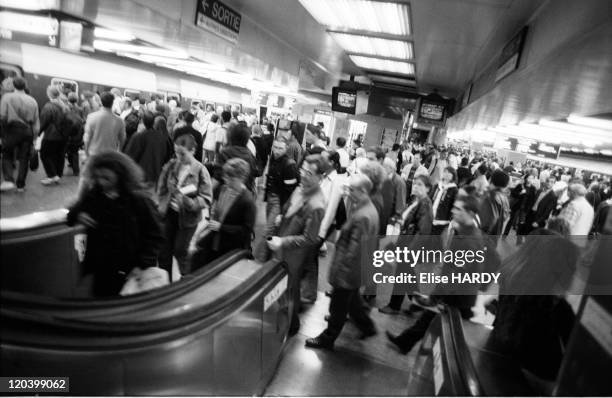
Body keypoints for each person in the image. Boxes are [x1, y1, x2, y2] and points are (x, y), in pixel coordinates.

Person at [386, 194, 486, 354]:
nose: (453, 211)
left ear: (471, 213)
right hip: (454, 295)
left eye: (458, 209)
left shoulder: (470, 241)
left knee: (451, 334)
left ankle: (409, 344)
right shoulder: (463, 233)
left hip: (458, 297)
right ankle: (404, 342)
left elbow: (457, 274)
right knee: (428, 319)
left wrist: (435, 295)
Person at [66, 151, 164, 297]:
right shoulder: (94, 194)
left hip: (129, 271)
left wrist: (142, 265)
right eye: (97, 177)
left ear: (120, 175)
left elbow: (155, 235)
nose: (101, 182)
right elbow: (72, 214)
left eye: (106, 178)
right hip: (101, 270)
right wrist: (78, 214)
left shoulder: (139, 200)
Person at [305, 174, 378, 350]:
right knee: (353, 302)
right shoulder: (367, 209)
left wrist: (340, 275)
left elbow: (354, 250)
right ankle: (367, 327)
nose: (347, 193)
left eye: (351, 190)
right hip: (355, 270)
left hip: (348, 270)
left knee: (338, 306)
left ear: (362, 191)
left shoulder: (363, 215)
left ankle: (328, 338)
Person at [267, 155, 326, 335]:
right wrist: (281, 216)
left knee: (290, 288)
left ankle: (291, 325)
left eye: (309, 172)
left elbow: (309, 239)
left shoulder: (317, 205)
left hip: (293, 254)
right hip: (282, 246)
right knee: (284, 286)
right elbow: (289, 207)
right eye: (303, 170)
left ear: (320, 177)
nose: (304, 175)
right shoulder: (301, 189)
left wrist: (283, 241)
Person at [157, 134, 213, 280]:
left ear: (193, 150)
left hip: (188, 219)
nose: (179, 156)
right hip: (169, 214)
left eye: (182, 153)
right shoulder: (171, 166)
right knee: (164, 251)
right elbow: (162, 187)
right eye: (176, 152)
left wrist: (189, 202)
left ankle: (184, 281)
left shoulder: (201, 170)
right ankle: (165, 282)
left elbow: (206, 198)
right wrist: (162, 202)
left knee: (180, 251)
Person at [379, 175, 434, 315]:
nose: (415, 186)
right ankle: (419, 303)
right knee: (407, 274)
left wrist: (410, 251)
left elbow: (423, 231)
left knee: (402, 274)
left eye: (420, 184)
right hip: (406, 242)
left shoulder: (425, 204)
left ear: (427, 188)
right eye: (415, 184)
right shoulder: (416, 201)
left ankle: (394, 306)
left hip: (411, 246)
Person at [191, 158, 256, 267]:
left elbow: (246, 230)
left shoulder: (247, 201)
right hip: (214, 243)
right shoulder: (222, 189)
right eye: (226, 176)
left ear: (241, 178)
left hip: (229, 249)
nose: (226, 180)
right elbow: (214, 209)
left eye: (231, 178)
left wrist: (222, 227)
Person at [0, 77, 40, 192]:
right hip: (27, 131)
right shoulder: (32, 100)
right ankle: (21, 186)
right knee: (24, 159)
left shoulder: (7, 97)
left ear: (13, 85)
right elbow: (36, 122)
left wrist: (3, 133)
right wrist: (34, 138)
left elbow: (2, 116)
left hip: (11, 130)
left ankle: (9, 179)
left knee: (7, 154)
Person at [124, 111, 173, 188]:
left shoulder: (138, 136)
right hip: (156, 176)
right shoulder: (162, 138)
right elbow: (166, 157)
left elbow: (130, 156)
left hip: (141, 176)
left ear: (142, 121)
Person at [39, 86, 68, 185]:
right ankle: (57, 175)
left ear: (49, 94)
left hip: (51, 136)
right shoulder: (65, 106)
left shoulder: (48, 106)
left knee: (44, 154)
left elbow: (44, 121)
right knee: (59, 156)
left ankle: (52, 175)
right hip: (63, 136)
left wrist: (38, 133)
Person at [83, 91, 126, 157]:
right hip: (111, 155)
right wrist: (119, 151)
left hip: (94, 154)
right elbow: (122, 139)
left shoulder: (91, 117)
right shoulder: (120, 121)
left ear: (100, 102)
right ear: (112, 102)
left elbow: (87, 138)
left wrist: (86, 153)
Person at [431, 166, 459, 235]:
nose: (446, 174)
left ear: (453, 176)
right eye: (445, 172)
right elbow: (430, 198)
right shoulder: (437, 185)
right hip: (430, 217)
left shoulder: (454, 190)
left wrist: (451, 219)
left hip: (442, 221)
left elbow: (455, 206)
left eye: (449, 173)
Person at [64, 92, 85, 176]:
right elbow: (83, 120)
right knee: (75, 151)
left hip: (68, 133)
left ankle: (60, 171)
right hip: (77, 133)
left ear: (68, 99)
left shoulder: (65, 108)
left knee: (65, 150)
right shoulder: (80, 109)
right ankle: (76, 171)